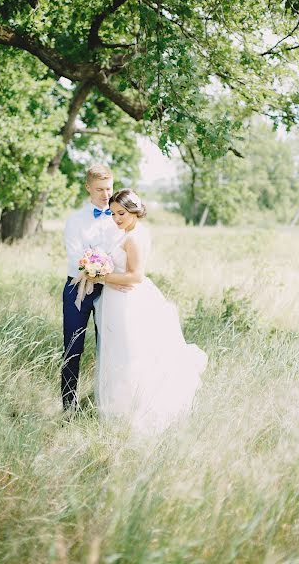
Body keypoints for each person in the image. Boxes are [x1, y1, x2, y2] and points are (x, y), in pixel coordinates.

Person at [93, 188, 208, 434]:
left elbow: (136, 276)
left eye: (121, 213)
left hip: (128, 301)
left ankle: (136, 409)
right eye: (113, 214)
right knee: (117, 352)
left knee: (128, 353)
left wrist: (102, 276)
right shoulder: (126, 232)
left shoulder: (134, 237)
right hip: (115, 298)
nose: (116, 218)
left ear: (133, 210)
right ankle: (119, 407)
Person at [61, 164, 125, 412]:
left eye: (108, 188)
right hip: (78, 288)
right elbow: (76, 258)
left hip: (110, 290)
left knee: (108, 347)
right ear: (88, 187)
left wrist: (108, 273)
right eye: (99, 189)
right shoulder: (75, 220)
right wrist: (94, 267)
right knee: (73, 346)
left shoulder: (120, 217)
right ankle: (69, 406)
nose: (105, 194)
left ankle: (105, 404)